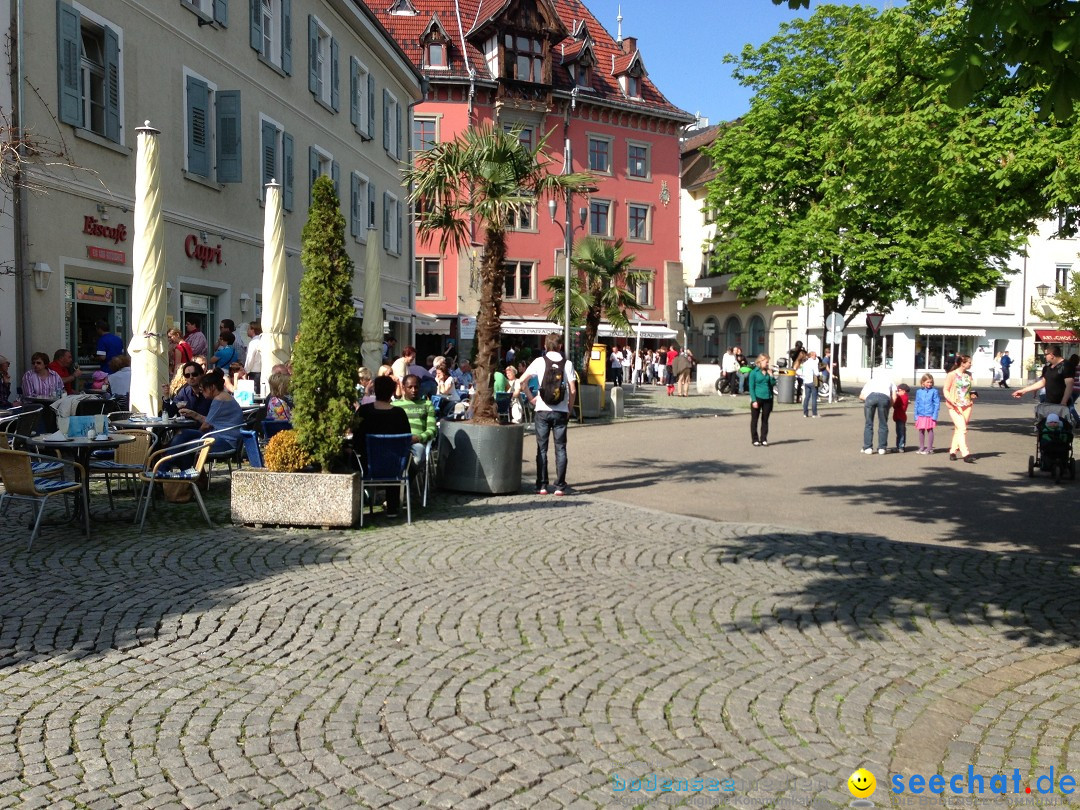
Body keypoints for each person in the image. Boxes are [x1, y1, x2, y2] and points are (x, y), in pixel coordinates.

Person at [520, 333, 577, 495]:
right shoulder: (567, 364)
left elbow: (522, 381)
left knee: (542, 449)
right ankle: (560, 486)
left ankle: (542, 485)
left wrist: (531, 398)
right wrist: (569, 408)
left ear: (545, 346)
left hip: (542, 410)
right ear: (560, 347)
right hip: (560, 412)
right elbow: (572, 390)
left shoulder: (539, 361)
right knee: (561, 448)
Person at [351, 375, 412, 518]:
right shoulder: (399, 413)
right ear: (392, 392)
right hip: (395, 466)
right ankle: (392, 507)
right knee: (397, 457)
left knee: (353, 458)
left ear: (375, 391)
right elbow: (406, 439)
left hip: (368, 466)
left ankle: (360, 503)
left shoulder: (364, 411)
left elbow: (357, 439)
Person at [173, 368, 244, 458]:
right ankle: (171, 467)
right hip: (223, 437)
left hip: (226, 441)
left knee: (186, 447)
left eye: (203, 390)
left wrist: (198, 437)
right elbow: (209, 420)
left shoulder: (219, 400)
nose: (202, 392)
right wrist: (193, 414)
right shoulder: (224, 396)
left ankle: (168, 467)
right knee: (184, 434)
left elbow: (206, 425)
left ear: (212, 387)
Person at [393, 374, 437, 470]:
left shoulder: (427, 404)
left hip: (418, 443)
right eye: (410, 387)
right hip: (398, 442)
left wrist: (418, 438)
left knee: (416, 461)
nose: (414, 390)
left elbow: (433, 430)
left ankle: (406, 482)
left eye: (416, 387)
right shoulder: (394, 405)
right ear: (403, 388)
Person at [944, 354, 978, 462]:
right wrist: (950, 399)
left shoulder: (968, 375)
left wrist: (973, 395)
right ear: (962, 363)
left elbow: (967, 390)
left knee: (959, 429)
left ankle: (953, 451)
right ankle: (966, 454)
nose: (971, 364)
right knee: (963, 429)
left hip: (967, 405)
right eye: (969, 362)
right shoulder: (952, 375)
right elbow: (946, 389)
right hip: (955, 406)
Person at [858, 373, 896, 455]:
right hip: (884, 398)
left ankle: (867, 447)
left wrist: (868, 400)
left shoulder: (870, 381)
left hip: (870, 398)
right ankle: (882, 448)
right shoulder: (891, 381)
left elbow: (861, 396)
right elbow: (894, 398)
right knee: (883, 424)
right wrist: (888, 406)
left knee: (868, 423)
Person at [748, 353, 776, 446]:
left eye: (768, 362)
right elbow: (751, 387)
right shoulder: (754, 372)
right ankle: (755, 439)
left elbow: (772, 383)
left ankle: (763, 438)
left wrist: (771, 376)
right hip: (757, 397)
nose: (767, 364)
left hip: (768, 398)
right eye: (766, 362)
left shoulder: (768, 372)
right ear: (760, 362)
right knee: (755, 420)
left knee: (765, 419)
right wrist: (754, 400)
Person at [914, 373, 941, 455]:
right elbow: (917, 404)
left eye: (931, 382)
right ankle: (922, 447)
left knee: (930, 430)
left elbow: (937, 404)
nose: (929, 384)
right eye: (928, 382)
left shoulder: (934, 391)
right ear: (923, 382)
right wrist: (916, 416)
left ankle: (929, 448)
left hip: (930, 414)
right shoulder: (919, 392)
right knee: (921, 430)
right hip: (921, 414)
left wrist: (935, 415)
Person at [799, 351, 820, 417]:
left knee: (806, 397)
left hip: (806, 382)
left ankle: (805, 413)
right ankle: (814, 413)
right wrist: (819, 374)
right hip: (812, 381)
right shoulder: (814, 363)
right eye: (815, 356)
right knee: (814, 398)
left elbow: (802, 372)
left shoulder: (805, 363)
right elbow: (816, 373)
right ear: (812, 356)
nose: (816, 357)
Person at [244, 321, 263, 392]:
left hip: (254, 372)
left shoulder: (253, 343)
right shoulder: (262, 341)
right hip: (261, 371)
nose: (247, 331)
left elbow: (250, 358)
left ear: (253, 330)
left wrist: (246, 370)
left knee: (254, 392)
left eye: (248, 329)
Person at [893, 383, 910, 453]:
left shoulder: (903, 397)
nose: (897, 392)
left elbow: (895, 405)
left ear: (903, 391)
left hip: (900, 417)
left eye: (898, 390)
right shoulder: (904, 397)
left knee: (901, 432)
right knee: (899, 432)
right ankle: (899, 446)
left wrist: (895, 398)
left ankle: (901, 446)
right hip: (899, 416)